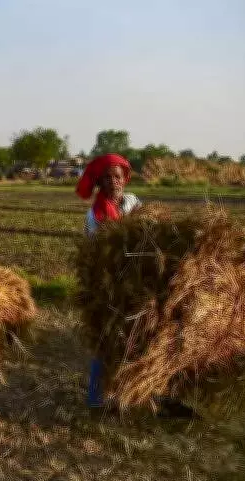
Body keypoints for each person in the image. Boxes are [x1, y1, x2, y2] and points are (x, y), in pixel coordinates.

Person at [76, 154, 194, 419]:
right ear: (100, 181)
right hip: (110, 286)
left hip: (140, 282)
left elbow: (150, 230)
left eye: (117, 177)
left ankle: (149, 393)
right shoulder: (95, 215)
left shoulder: (133, 202)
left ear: (125, 179)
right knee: (107, 340)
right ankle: (96, 399)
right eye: (107, 177)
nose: (113, 182)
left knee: (147, 337)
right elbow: (100, 254)